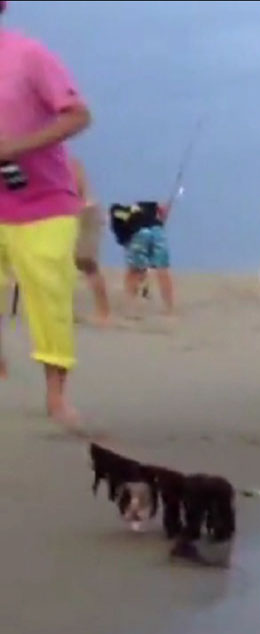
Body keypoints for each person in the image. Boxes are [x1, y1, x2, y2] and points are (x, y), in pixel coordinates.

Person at [0, 0, 93, 426]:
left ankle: (57, 398)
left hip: (44, 202)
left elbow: (79, 116)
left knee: (49, 299)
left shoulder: (28, 55)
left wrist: (12, 149)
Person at [68, 155, 111, 326]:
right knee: (63, 264)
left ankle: (104, 313)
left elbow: (78, 187)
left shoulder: (66, 160)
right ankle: (66, 311)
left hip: (84, 212)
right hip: (69, 215)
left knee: (86, 263)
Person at [121, 199, 175, 316]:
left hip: (139, 231)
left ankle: (130, 306)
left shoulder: (129, 211)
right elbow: (162, 213)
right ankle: (169, 307)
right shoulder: (155, 209)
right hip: (157, 231)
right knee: (162, 269)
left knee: (133, 270)